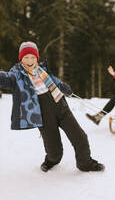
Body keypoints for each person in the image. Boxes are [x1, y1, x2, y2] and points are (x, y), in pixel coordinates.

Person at [0, 41, 105, 172]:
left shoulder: (42, 69)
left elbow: (55, 81)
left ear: (36, 58)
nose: (29, 60)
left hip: (60, 106)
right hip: (42, 113)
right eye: (26, 57)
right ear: (21, 59)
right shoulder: (17, 74)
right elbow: (5, 78)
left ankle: (85, 163)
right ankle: (51, 160)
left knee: (80, 137)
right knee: (53, 147)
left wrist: (65, 88)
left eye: (32, 57)